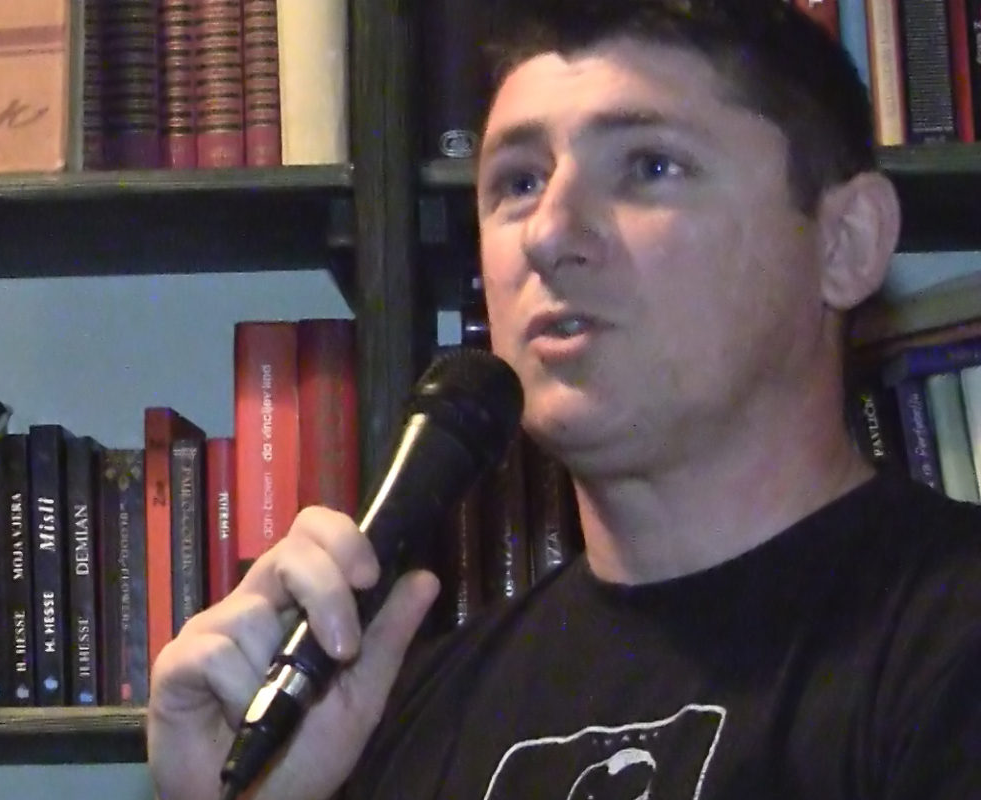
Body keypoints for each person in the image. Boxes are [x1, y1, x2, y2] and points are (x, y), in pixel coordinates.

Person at [146, 0, 981, 798]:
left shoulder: (948, 636)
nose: (548, 233)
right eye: (518, 182)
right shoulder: (408, 713)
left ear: (846, 243)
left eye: (650, 167)